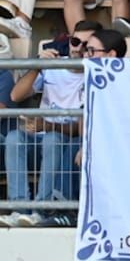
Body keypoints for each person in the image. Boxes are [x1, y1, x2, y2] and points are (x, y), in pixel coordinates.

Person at [2, 24, 92, 227]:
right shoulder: (54, 65)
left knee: (52, 138)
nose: (78, 48)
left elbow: (83, 128)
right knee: (14, 137)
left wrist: (50, 126)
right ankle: (19, 209)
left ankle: (41, 210)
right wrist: (37, 66)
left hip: (67, 144)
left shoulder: (95, 74)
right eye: (75, 42)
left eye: (86, 45)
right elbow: (16, 95)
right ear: (69, 41)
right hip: (39, 140)